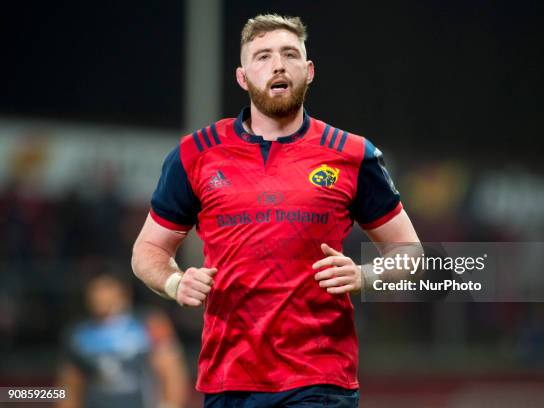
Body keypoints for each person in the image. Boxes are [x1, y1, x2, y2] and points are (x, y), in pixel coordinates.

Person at [132, 14, 420, 408]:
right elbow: (148, 250)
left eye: (290, 54)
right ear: (242, 76)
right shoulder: (195, 154)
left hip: (321, 378)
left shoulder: (352, 153)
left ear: (309, 70)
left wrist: (365, 274)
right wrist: (174, 283)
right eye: (263, 56)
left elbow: (409, 251)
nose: (278, 64)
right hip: (228, 378)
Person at [57, 274, 189, 408]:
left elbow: (171, 370)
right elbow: (70, 383)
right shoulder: (78, 334)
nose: (99, 296)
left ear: (123, 291)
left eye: (106, 288)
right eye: (95, 289)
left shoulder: (150, 322)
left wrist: (171, 404)